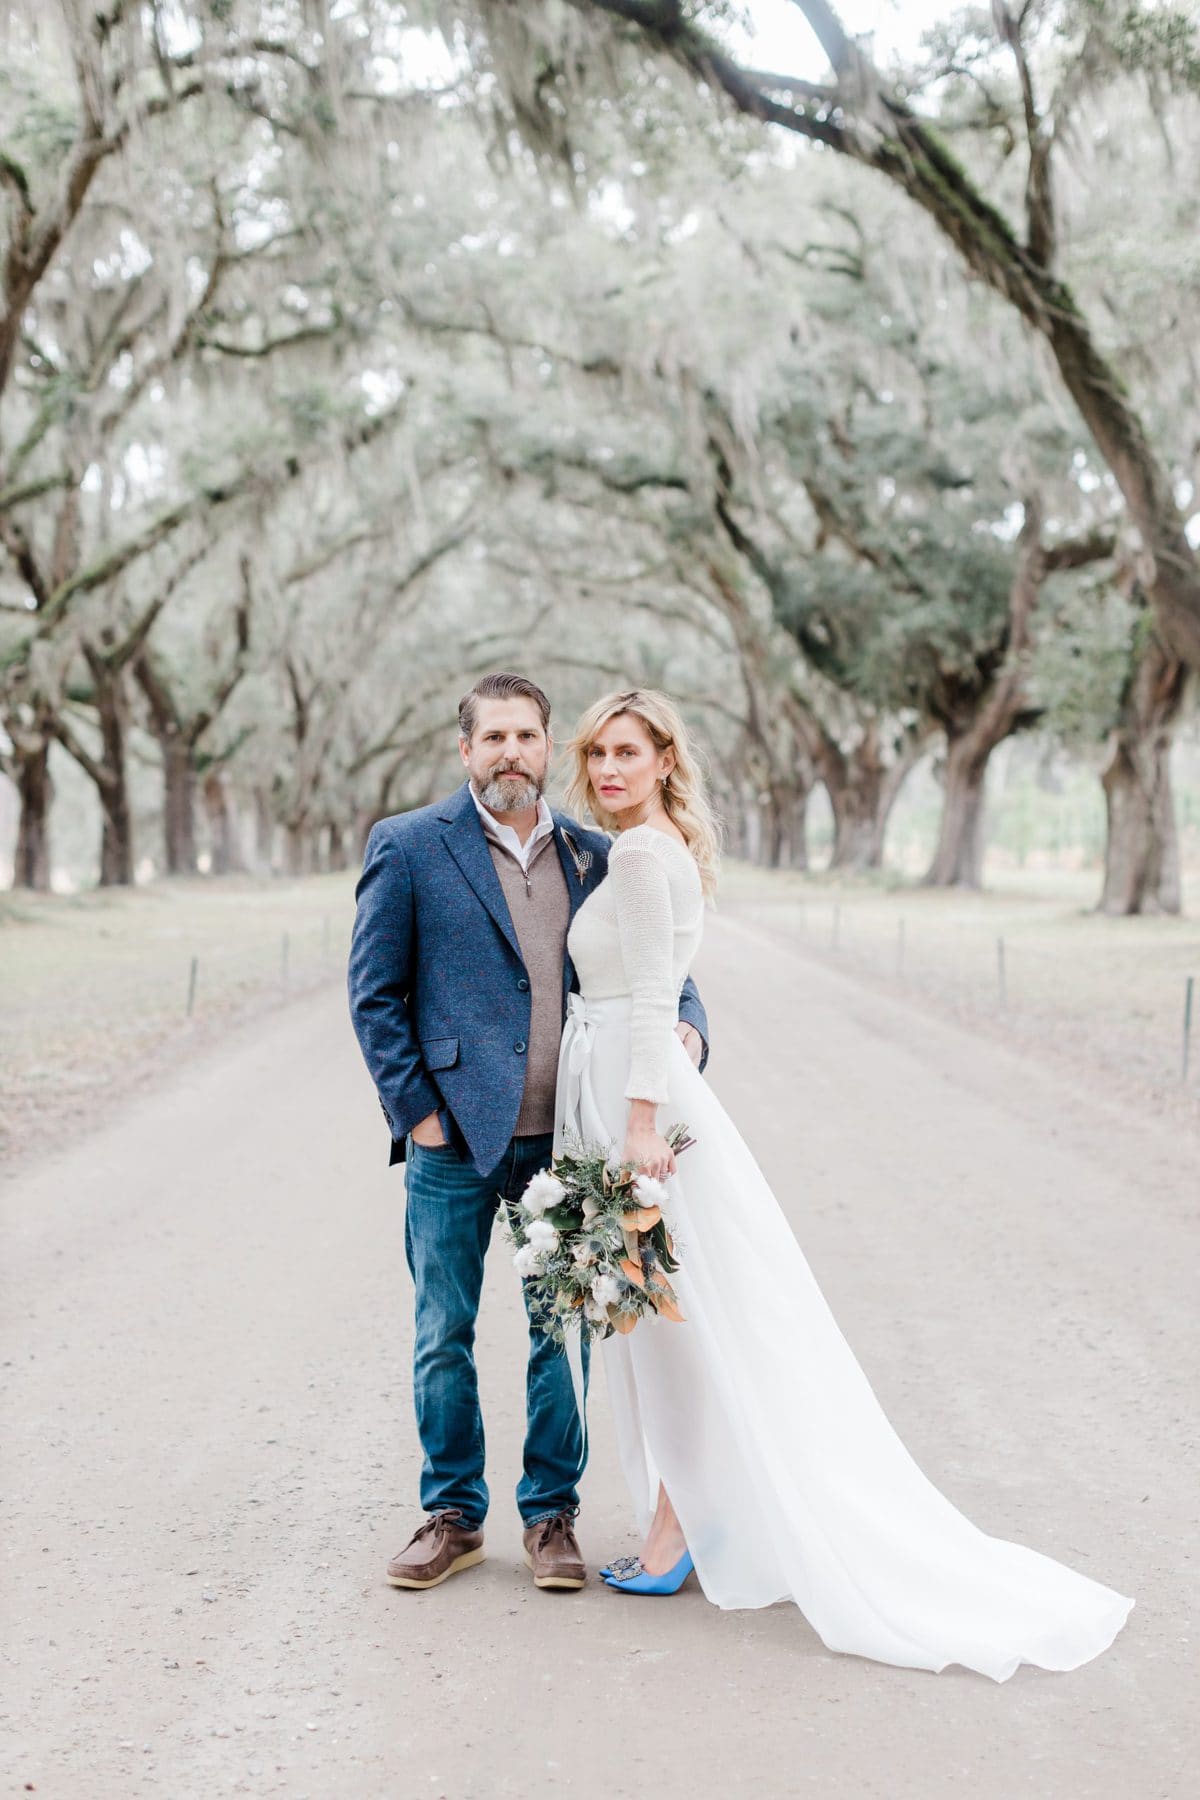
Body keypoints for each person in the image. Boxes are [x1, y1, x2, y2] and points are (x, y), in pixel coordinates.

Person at [554, 685, 1134, 1681]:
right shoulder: (639, 848)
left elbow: (655, 996)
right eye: (598, 754)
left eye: (627, 753)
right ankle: (684, 1515)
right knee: (668, 1321)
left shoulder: (644, 855)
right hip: (621, 1092)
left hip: (639, 1111)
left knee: (670, 1324)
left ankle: (675, 1530)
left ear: (663, 761)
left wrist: (640, 1126)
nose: (609, 771)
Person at [347, 672, 708, 1593]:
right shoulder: (410, 847)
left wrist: (688, 1037)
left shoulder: (599, 852)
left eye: (528, 736)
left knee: (563, 1334)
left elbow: (665, 970)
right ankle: (453, 1515)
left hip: (568, 1143)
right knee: (443, 1328)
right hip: (453, 1139)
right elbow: (374, 996)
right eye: (493, 737)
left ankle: (552, 1516)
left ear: (549, 749)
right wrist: (419, 1113)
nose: (512, 752)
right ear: (465, 750)